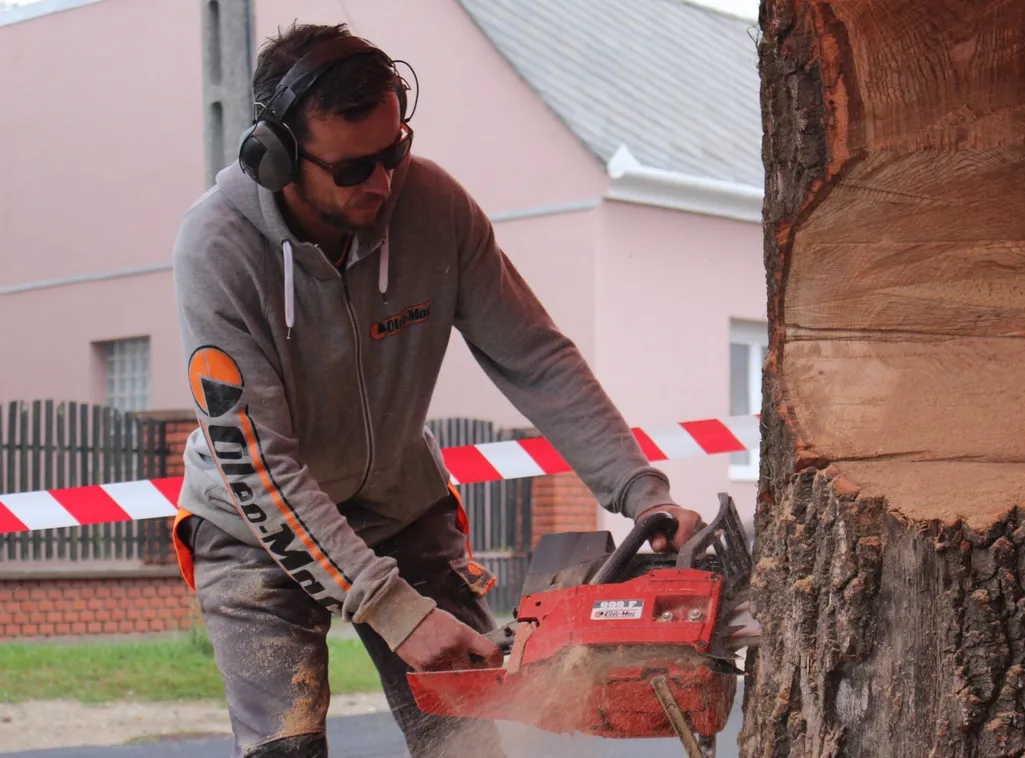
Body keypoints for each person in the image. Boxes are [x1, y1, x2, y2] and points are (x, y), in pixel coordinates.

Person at [168, 21, 704, 758]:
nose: (384, 182)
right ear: (276, 159)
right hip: (256, 526)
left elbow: (536, 359)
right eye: (354, 169)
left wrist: (640, 490)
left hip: (399, 506)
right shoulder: (217, 250)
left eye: (394, 151)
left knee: (463, 741)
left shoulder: (435, 208)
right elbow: (259, 461)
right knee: (284, 748)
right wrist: (393, 609)